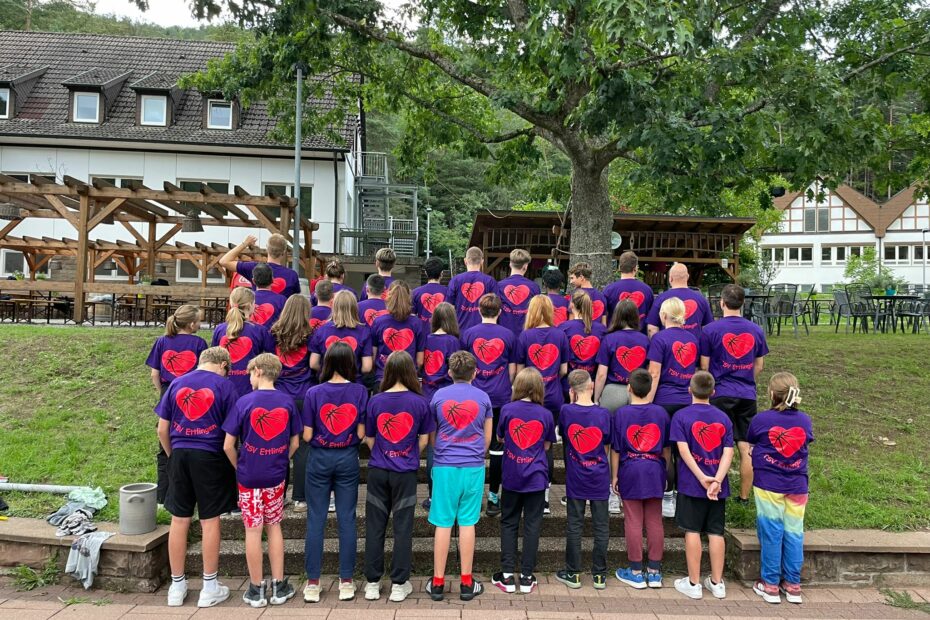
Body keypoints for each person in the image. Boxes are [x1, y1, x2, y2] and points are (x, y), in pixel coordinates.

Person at [156, 347, 238, 608]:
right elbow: (232, 431)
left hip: (179, 453)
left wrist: (172, 455)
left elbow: (162, 429)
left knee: (179, 519)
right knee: (209, 520)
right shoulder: (225, 386)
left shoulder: (177, 383)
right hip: (211, 455)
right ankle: (209, 586)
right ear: (223, 365)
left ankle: (177, 585)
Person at [222, 354, 300, 607]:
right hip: (275, 474)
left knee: (252, 529)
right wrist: (280, 459)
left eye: (248, 373)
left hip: (248, 475)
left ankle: (256, 588)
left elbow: (228, 445)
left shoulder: (244, 402)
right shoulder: (287, 402)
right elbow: (295, 442)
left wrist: (240, 466)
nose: (248, 378)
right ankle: (279, 585)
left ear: (257, 370)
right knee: (274, 525)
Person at [362, 351, 434, 603]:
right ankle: (398, 584)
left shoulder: (375, 401)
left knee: (374, 526)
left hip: (378, 470)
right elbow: (425, 440)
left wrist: (384, 453)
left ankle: (372, 583)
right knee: (403, 527)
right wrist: (408, 455)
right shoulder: (420, 402)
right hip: (405, 473)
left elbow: (369, 437)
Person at [301, 342, 369, 603]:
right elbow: (362, 434)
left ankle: (313, 582)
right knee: (347, 519)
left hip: (318, 457)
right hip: (347, 457)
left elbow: (306, 434)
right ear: (351, 363)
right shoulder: (360, 391)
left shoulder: (313, 393)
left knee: (315, 519)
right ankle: (346, 581)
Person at [427, 351, 493, 602]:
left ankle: (437, 582)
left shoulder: (438, 396)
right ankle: (467, 582)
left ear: (449, 372)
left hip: (444, 465)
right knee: (467, 521)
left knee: (443, 522)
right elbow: (487, 438)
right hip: (473, 466)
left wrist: (442, 448)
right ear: (475, 373)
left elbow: (433, 434)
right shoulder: (483, 398)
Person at [747, 372, 813, 605]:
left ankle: (770, 584)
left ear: (772, 394)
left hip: (768, 484)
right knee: (794, 532)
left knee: (771, 532)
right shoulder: (804, 420)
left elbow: (752, 442)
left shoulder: (761, 420)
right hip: (797, 485)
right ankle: (793, 585)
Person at [700, 284, 769, 502]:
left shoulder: (710, 330)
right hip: (747, 393)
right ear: (743, 303)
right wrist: (747, 380)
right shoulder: (756, 330)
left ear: (721, 303)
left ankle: (714, 489)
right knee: (745, 445)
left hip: (719, 393)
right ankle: (744, 496)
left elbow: (704, 366)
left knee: (716, 445)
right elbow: (759, 365)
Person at [669, 371, 734, 601]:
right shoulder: (724, 418)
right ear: (713, 392)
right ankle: (717, 582)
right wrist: (717, 479)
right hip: (718, 486)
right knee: (716, 532)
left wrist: (701, 477)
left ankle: (694, 582)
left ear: (690, 390)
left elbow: (683, 450)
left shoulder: (681, 416)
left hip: (691, 484)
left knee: (692, 530)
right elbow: (729, 452)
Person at [491, 368, 555, 595]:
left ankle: (507, 574)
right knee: (532, 525)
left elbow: (500, 437)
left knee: (509, 522)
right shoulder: (545, 414)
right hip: (536, 476)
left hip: (512, 474)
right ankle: (527, 576)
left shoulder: (508, 410)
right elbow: (547, 445)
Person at [611, 369, 671, 590]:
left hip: (631, 469)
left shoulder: (621, 414)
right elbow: (666, 449)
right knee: (655, 519)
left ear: (629, 387)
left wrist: (614, 475)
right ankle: (654, 571)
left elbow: (616, 449)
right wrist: (665, 472)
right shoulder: (661, 413)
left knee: (633, 520)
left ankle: (636, 571)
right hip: (655, 468)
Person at [460, 293, 517, 517]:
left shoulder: (468, 334)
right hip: (500, 397)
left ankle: (467, 496)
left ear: (478, 310)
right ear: (500, 312)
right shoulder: (509, 335)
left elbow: (463, 367)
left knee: (469, 444)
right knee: (497, 449)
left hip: (473, 396)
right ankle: (493, 497)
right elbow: (512, 370)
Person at [554, 370, 611, 591]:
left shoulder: (566, 410)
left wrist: (570, 401)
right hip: (599, 474)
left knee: (575, 524)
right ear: (591, 386)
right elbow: (606, 445)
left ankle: (573, 572)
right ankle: (599, 575)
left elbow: (565, 436)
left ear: (572, 390)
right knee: (601, 525)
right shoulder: (604, 414)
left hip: (576, 474)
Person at [146, 304, 207, 503]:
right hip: (191, 395)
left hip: (167, 391)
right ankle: (193, 493)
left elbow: (154, 374)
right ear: (191, 324)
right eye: (199, 321)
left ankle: (163, 496)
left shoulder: (162, 341)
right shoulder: (199, 343)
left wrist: (164, 392)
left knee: (164, 446)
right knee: (190, 440)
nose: (201, 324)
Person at [647, 297, 700, 518]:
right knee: (685, 452)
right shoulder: (693, 339)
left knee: (666, 451)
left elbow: (655, 373)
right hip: (687, 400)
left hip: (664, 400)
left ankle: (667, 496)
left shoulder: (659, 339)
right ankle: (683, 496)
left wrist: (647, 401)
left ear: (663, 316)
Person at [515, 295, 569, 513]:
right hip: (554, 395)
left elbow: (519, 371)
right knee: (547, 443)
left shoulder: (525, 336)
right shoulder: (560, 335)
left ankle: (525, 488)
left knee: (528, 441)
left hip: (530, 395)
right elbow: (564, 369)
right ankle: (545, 494)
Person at [270, 295, 315, 512]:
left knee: (279, 446)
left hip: (279, 397)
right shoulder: (311, 334)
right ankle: (300, 498)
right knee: (303, 448)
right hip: (304, 396)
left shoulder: (273, 334)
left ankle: (277, 497)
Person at [212, 287, 275, 398]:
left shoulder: (220, 330)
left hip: (223, 387)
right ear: (251, 306)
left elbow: (213, 360)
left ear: (231, 304)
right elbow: (271, 358)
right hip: (251, 388)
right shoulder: (260, 330)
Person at [595, 300, 650, 412]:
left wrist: (596, 398)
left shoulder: (609, 339)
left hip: (613, 391)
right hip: (638, 391)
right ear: (636, 316)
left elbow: (601, 374)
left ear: (616, 316)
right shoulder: (645, 340)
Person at [309, 290, 373, 379]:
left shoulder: (321, 330)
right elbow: (367, 367)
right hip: (353, 383)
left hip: (327, 382)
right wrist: (355, 373)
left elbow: (313, 363)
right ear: (355, 307)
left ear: (334, 306)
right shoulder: (364, 332)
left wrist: (326, 372)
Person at [372, 281, 426, 385]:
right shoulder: (417, 323)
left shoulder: (378, 322)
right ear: (409, 297)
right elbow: (420, 361)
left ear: (388, 296)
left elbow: (373, 356)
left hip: (383, 378)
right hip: (408, 379)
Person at [220, 233, 301, 298]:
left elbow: (224, 261)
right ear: (284, 252)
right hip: (282, 317)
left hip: (257, 316)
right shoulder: (292, 275)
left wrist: (244, 244)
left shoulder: (255, 268)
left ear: (267, 249)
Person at [560, 290, 607, 397]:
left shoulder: (563, 328)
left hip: (568, 385)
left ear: (571, 305)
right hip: (591, 385)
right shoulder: (601, 330)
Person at [646, 263, 713, 336]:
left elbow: (652, 328)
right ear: (687, 277)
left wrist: (657, 344)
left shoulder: (661, 298)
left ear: (670, 278)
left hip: (667, 344)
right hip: (694, 345)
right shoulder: (701, 298)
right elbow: (707, 327)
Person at [447, 246, 498, 331]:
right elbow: (496, 307)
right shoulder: (490, 281)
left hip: (460, 330)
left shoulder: (455, 280)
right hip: (483, 331)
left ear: (465, 261)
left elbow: (448, 307)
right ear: (482, 261)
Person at [602, 251, 654, 332]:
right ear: (636, 268)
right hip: (640, 337)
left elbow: (603, 316)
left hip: (614, 338)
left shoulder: (609, 290)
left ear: (619, 267)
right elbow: (651, 317)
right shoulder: (647, 290)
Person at [421, 302, 461, 400]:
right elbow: (456, 369)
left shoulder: (425, 339)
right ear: (452, 320)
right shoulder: (452, 341)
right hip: (446, 392)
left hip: (426, 391)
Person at [497, 248, 540, 336]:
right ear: (525, 266)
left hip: (503, 334)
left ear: (510, 264)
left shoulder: (499, 286)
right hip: (526, 334)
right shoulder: (534, 287)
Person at [250, 263, 287, 328]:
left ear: (253, 281)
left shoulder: (247, 297)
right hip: (274, 337)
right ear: (272, 280)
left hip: (251, 337)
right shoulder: (282, 300)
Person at [412, 256, 448, 323]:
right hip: (443, 332)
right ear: (442, 273)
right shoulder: (448, 292)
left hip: (422, 332)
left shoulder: (415, 293)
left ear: (425, 273)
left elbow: (412, 317)